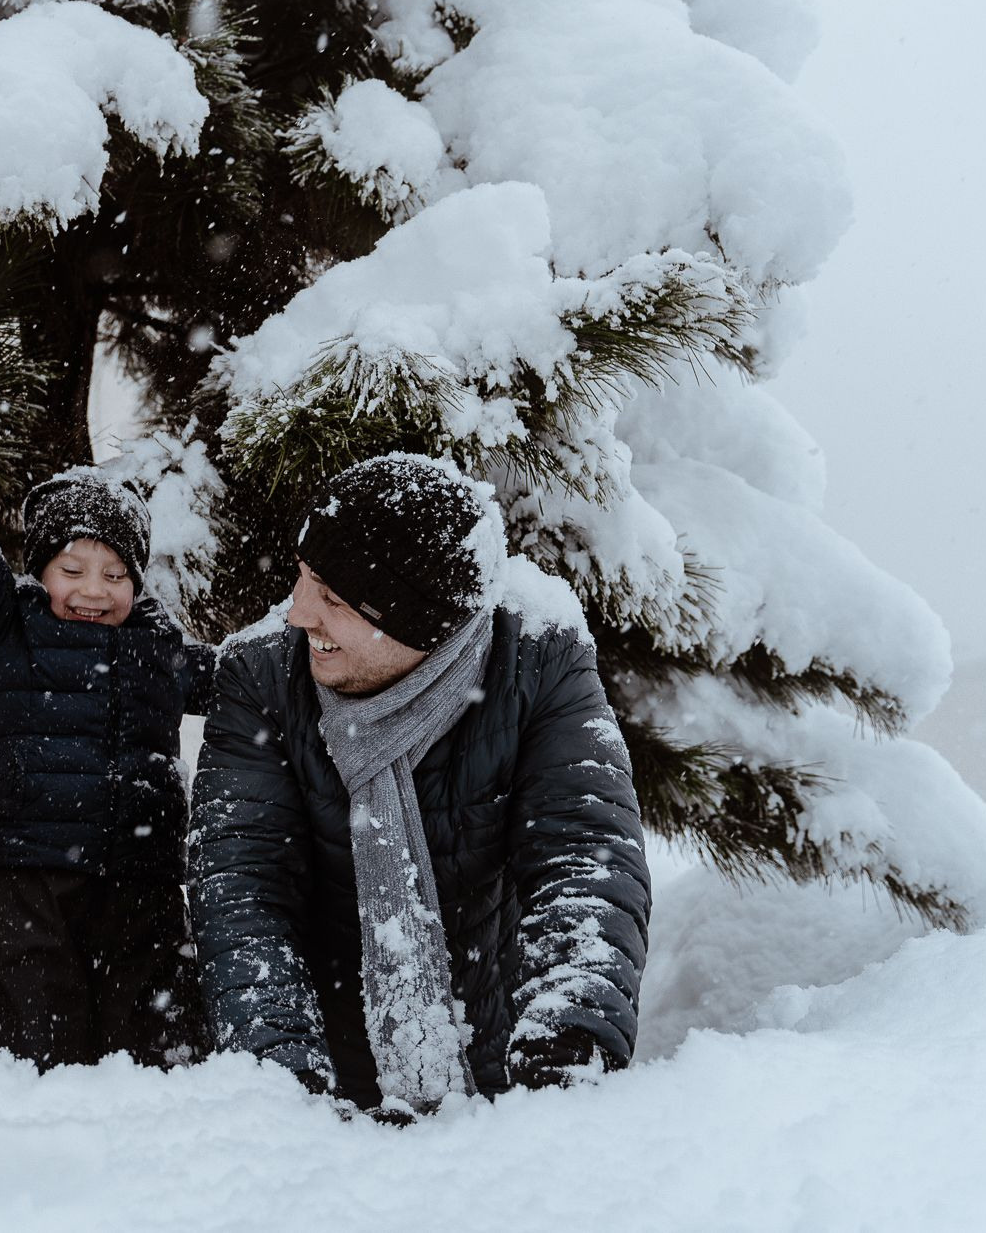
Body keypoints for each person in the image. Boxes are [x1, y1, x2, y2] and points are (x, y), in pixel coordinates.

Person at [189, 453, 651, 1115]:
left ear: (418, 625)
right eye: (303, 578)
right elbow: (242, 890)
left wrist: (562, 1067)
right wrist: (286, 1089)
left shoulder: (538, 663)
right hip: (319, 1090)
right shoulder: (260, 676)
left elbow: (585, 860)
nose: (297, 613)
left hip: (493, 1079)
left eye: (333, 598)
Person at [0, 323, 212, 1069]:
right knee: (32, 1059)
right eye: (74, 568)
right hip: (25, 883)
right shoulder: (11, 627)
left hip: (141, 885)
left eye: (114, 573)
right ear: (42, 570)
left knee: (148, 1062)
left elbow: (245, 684)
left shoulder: (158, 649)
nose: (94, 590)